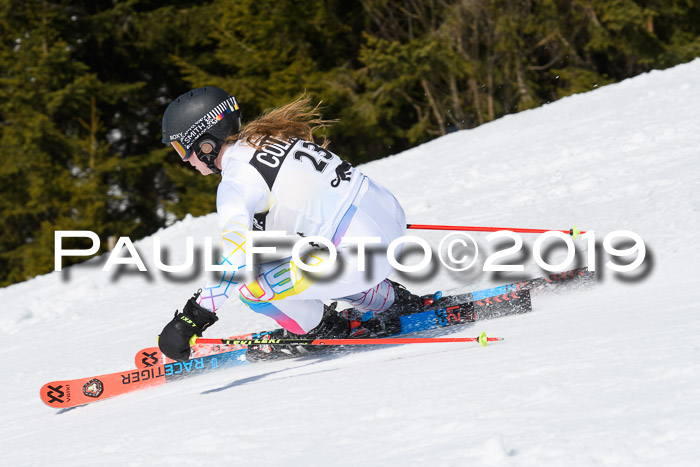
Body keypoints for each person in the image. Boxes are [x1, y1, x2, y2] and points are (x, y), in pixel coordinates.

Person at [157, 86, 425, 362]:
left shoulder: (236, 181)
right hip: (389, 223)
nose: (185, 159)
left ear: (205, 145)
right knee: (273, 248)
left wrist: (190, 320)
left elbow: (236, 262)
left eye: (182, 149)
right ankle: (389, 300)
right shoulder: (266, 137)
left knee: (252, 285)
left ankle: (323, 330)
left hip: (360, 257)